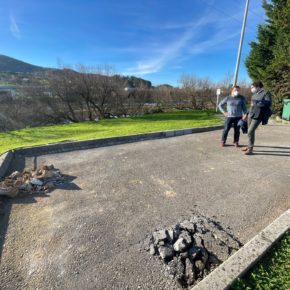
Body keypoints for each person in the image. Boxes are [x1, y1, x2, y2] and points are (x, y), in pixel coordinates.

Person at [242, 81, 272, 155]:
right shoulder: (254, 94)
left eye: (252, 87)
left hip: (258, 115)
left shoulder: (266, 93)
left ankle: (250, 149)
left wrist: (256, 103)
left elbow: (268, 103)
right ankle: (249, 146)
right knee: (250, 131)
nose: (251, 89)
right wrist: (246, 114)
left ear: (258, 87)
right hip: (251, 114)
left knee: (250, 131)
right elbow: (251, 105)